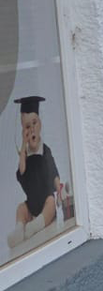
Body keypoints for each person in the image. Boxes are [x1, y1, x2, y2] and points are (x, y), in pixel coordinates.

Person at [8, 96, 63, 249]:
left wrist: (59, 190)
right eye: (26, 126)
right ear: (23, 132)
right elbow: (22, 172)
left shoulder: (45, 151)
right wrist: (24, 145)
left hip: (45, 201)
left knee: (50, 203)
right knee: (21, 208)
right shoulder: (24, 156)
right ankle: (19, 229)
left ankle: (36, 225)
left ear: (40, 125)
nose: (31, 129)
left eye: (34, 123)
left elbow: (53, 172)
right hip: (31, 204)